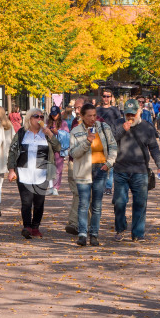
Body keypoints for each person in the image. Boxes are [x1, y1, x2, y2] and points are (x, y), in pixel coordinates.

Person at [113, 99, 160, 242]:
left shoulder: (147, 127)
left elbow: (154, 148)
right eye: (127, 114)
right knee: (119, 202)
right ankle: (120, 228)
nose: (130, 117)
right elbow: (110, 141)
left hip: (140, 170)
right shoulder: (118, 124)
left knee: (140, 203)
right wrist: (122, 130)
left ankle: (138, 233)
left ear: (139, 111)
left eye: (133, 114)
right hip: (120, 169)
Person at [6, 107, 61, 239]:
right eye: (36, 116)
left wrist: (50, 134)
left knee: (39, 202)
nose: (39, 119)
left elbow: (58, 147)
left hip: (42, 174)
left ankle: (35, 227)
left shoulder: (47, 134)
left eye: (42, 117)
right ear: (29, 119)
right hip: (24, 173)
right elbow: (13, 152)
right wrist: (11, 170)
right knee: (26, 202)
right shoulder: (22, 133)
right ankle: (27, 226)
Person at [69, 103, 117, 246]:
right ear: (82, 116)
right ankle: (83, 234)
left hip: (100, 169)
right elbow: (73, 153)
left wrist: (109, 163)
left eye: (94, 115)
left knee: (97, 204)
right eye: (89, 116)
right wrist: (86, 142)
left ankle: (94, 234)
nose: (92, 118)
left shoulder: (103, 127)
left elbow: (113, 145)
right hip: (84, 169)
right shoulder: (76, 131)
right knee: (83, 203)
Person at [65, 97, 88, 235]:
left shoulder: (95, 121)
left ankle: (84, 224)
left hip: (88, 163)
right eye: (75, 108)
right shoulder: (74, 122)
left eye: (79, 108)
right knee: (77, 193)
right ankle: (75, 223)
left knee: (87, 195)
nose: (76, 111)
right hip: (74, 161)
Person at [97, 89, 123, 196]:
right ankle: (100, 185)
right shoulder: (97, 110)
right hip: (99, 139)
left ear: (111, 98)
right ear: (102, 97)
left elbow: (119, 124)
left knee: (110, 163)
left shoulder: (115, 110)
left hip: (112, 139)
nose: (106, 98)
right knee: (100, 162)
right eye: (104, 96)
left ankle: (108, 187)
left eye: (108, 96)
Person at [47, 105, 68, 196]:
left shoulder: (63, 123)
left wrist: (57, 132)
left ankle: (56, 187)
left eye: (55, 114)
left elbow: (67, 135)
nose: (54, 116)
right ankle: (51, 186)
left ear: (59, 114)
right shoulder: (48, 122)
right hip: (49, 147)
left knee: (58, 168)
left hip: (60, 148)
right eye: (52, 114)